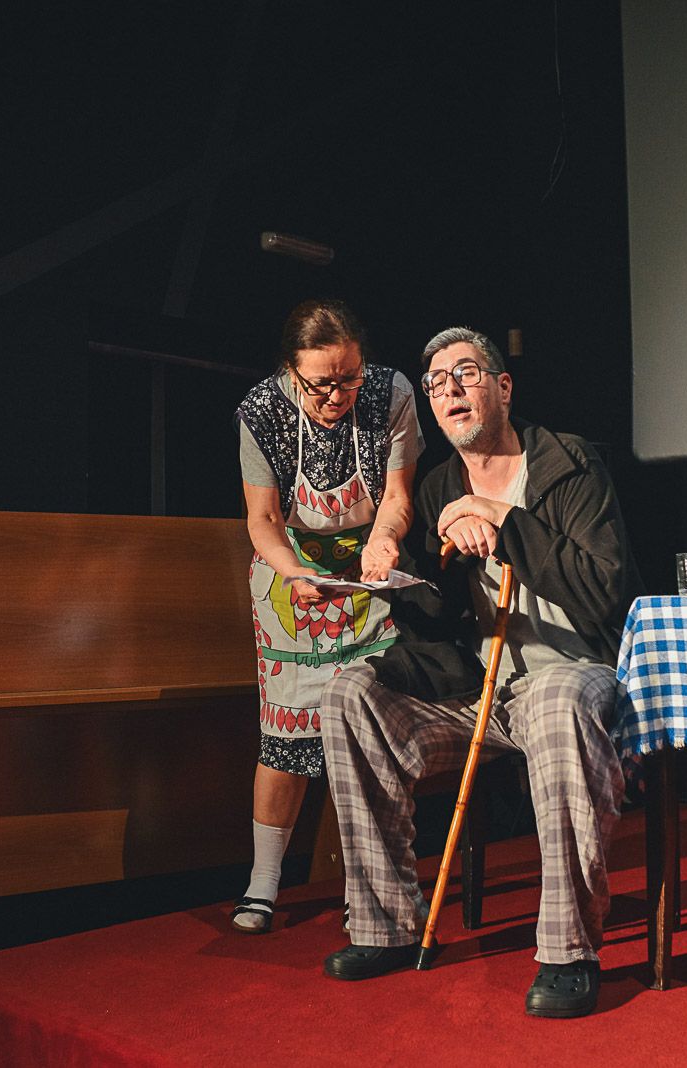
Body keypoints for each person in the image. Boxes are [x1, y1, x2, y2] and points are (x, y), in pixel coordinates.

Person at [319, 326, 641, 1018]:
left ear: (503, 387)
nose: (450, 390)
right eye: (436, 383)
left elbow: (606, 590)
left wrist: (504, 524)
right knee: (352, 694)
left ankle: (567, 951)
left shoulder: (570, 466)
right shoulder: (439, 486)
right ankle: (384, 925)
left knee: (556, 700)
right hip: (479, 689)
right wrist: (402, 580)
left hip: (572, 673)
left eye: (465, 374)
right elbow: (437, 621)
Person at [231, 298, 423, 934]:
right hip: (293, 575)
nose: (337, 395)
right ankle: (264, 882)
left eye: (349, 378)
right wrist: (294, 572)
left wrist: (384, 541)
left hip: (368, 571)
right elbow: (262, 518)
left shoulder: (391, 393)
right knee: (286, 738)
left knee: (366, 731)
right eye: (321, 384)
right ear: (292, 370)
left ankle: (364, 881)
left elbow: (397, 495)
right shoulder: (262, 410)